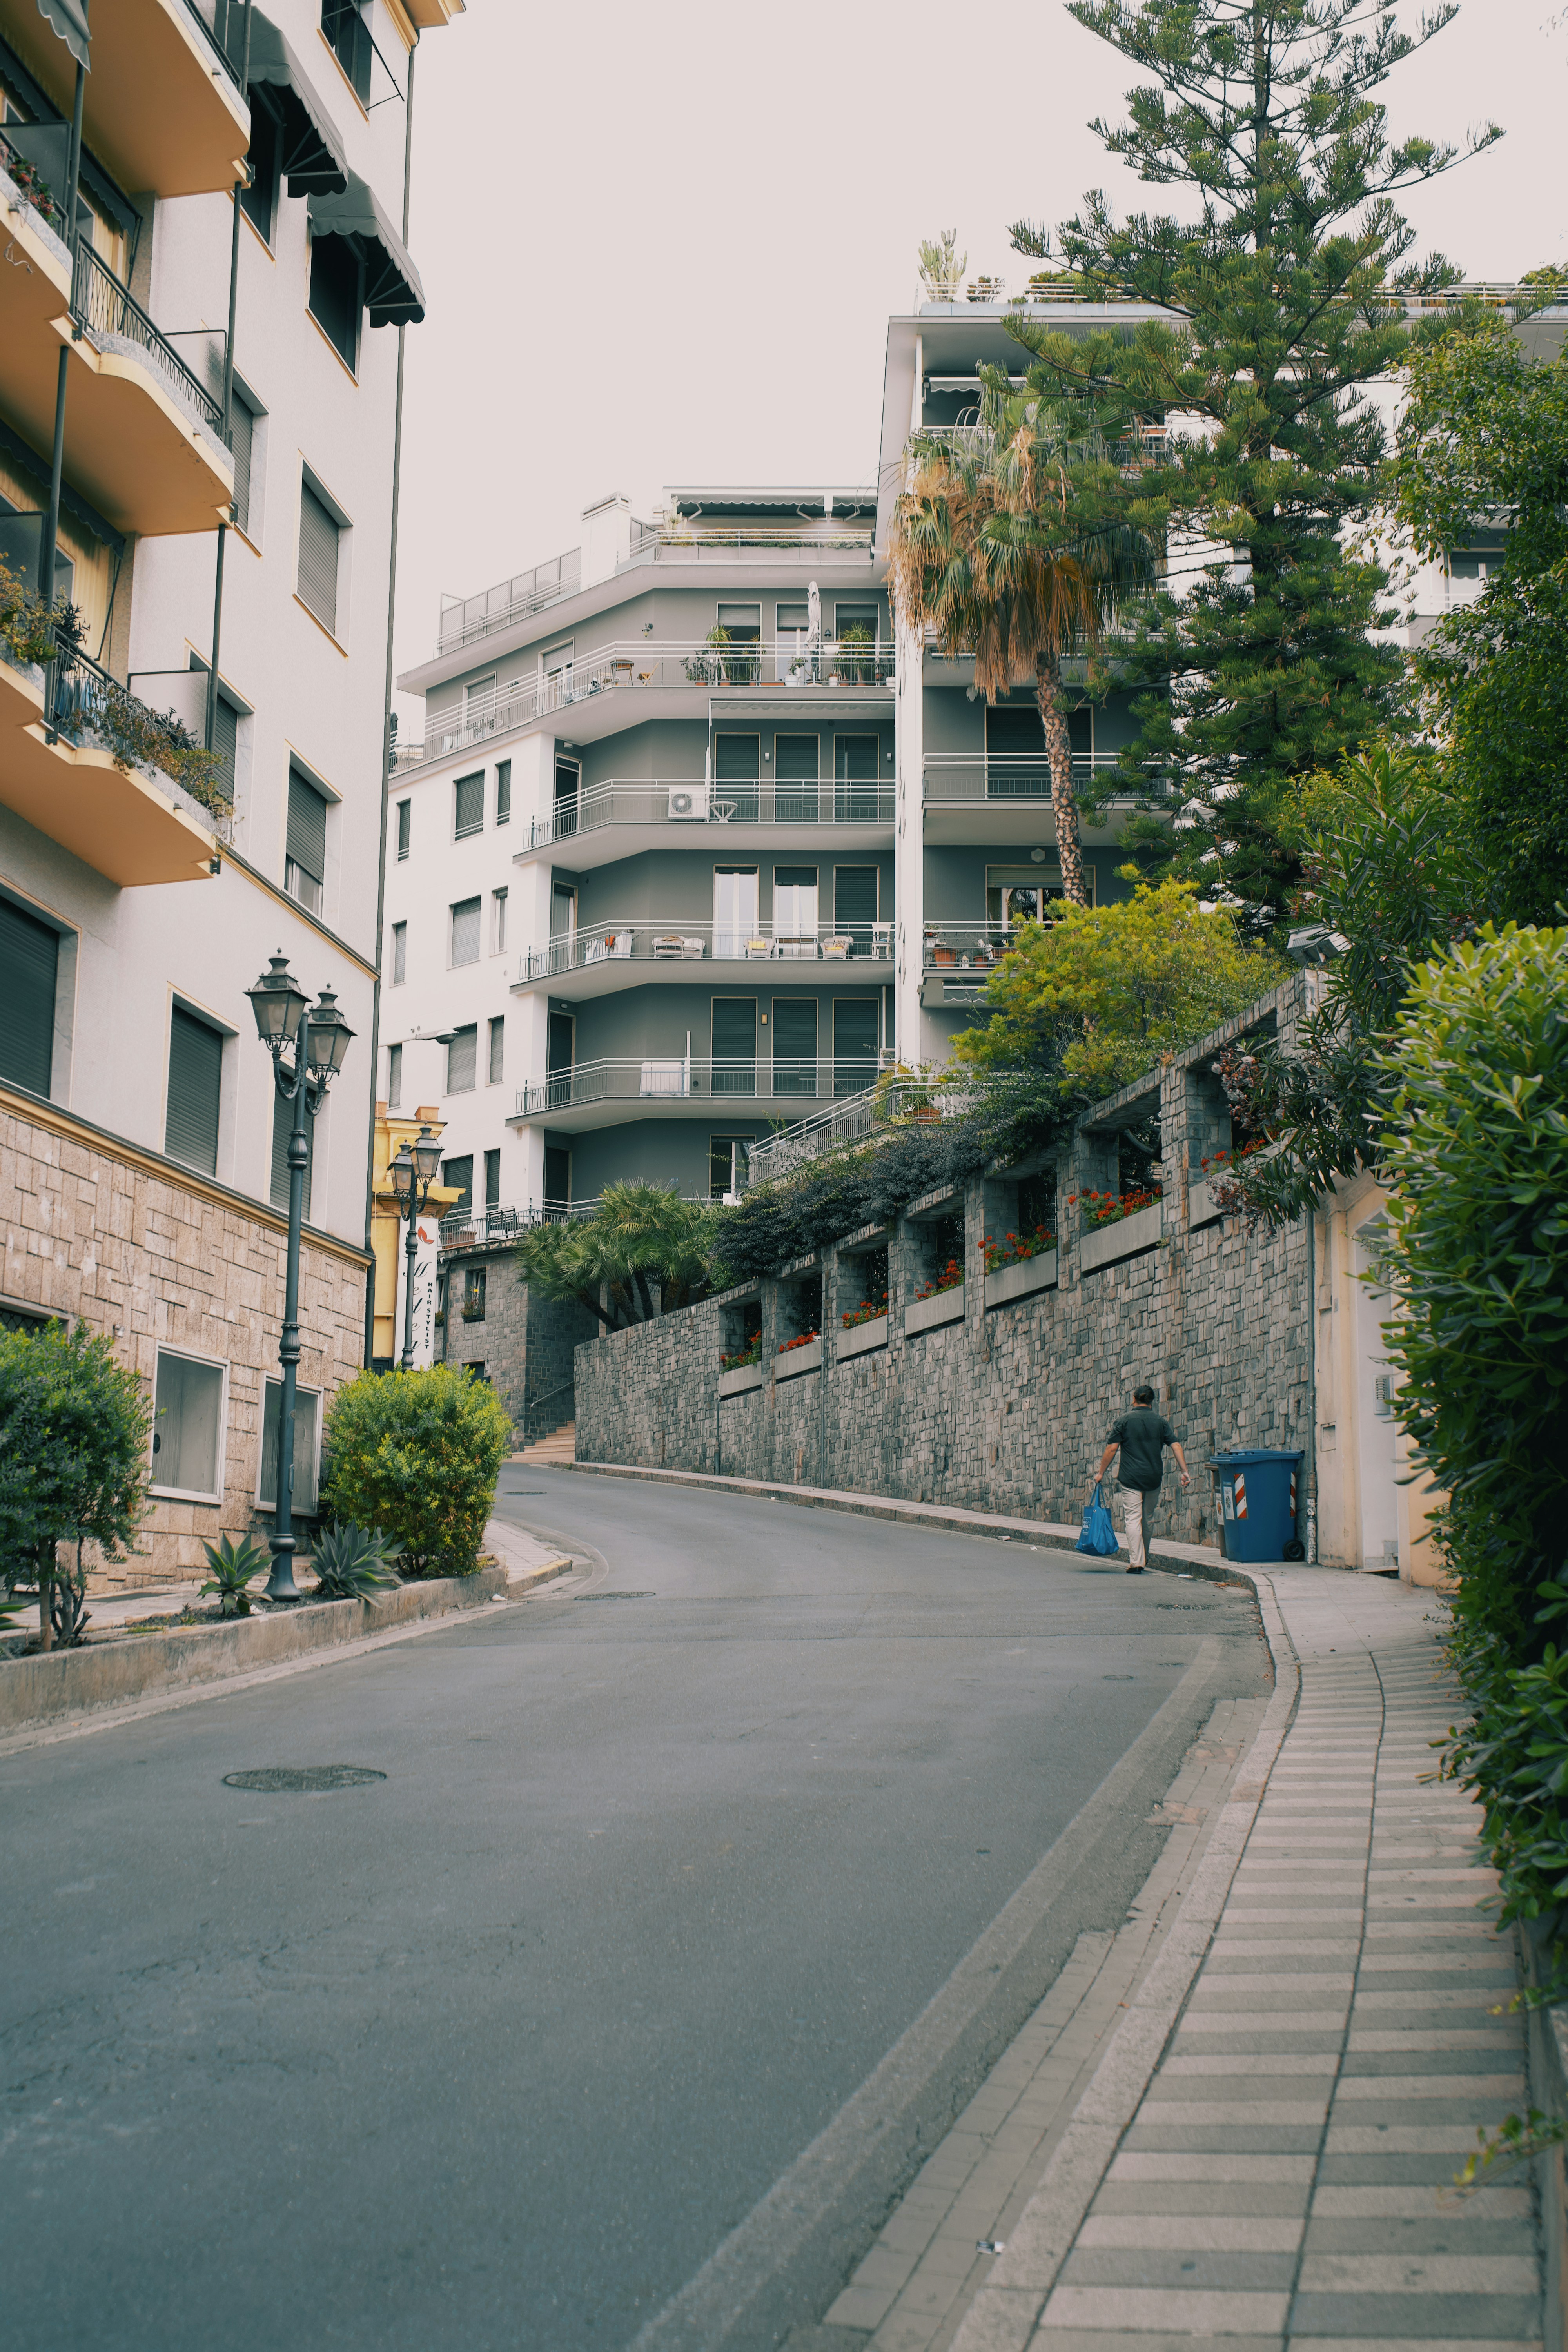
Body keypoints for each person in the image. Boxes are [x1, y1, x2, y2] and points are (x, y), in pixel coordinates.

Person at [1095, 1385, 1191, 1574]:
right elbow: (1176, 1445)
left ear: (1134, 1399)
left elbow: (1112, 1449)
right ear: (1152, 1401)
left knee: (1133, 1518)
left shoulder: (1124, 1421)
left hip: (1131, 1478)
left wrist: (1100, 1473)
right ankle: (1143, 1558)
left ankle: (1136, 1562)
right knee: (1147, 1519)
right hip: (1153, 1477)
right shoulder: (1160, 1422)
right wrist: (1184, 1471)